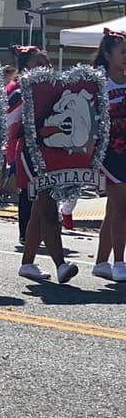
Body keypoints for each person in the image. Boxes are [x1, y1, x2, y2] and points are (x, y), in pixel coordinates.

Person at [6, 45, 77, 283]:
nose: (46, 67)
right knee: (48, 210)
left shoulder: (56, 89)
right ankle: (61, 264)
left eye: (47, 63)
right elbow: (8, 123)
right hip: (30, 156)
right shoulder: (19, 92)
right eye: (39, 63)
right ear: (26, 68)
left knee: (39, 211)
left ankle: (27, 263)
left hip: (51, 154)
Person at [93, 30, 126, 281]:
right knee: (121, 206)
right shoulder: (97, 84)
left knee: (114, 208)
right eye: (122, 52)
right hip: (108, 153)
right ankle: (119, 262)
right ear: (107, 54)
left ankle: (101, 262)